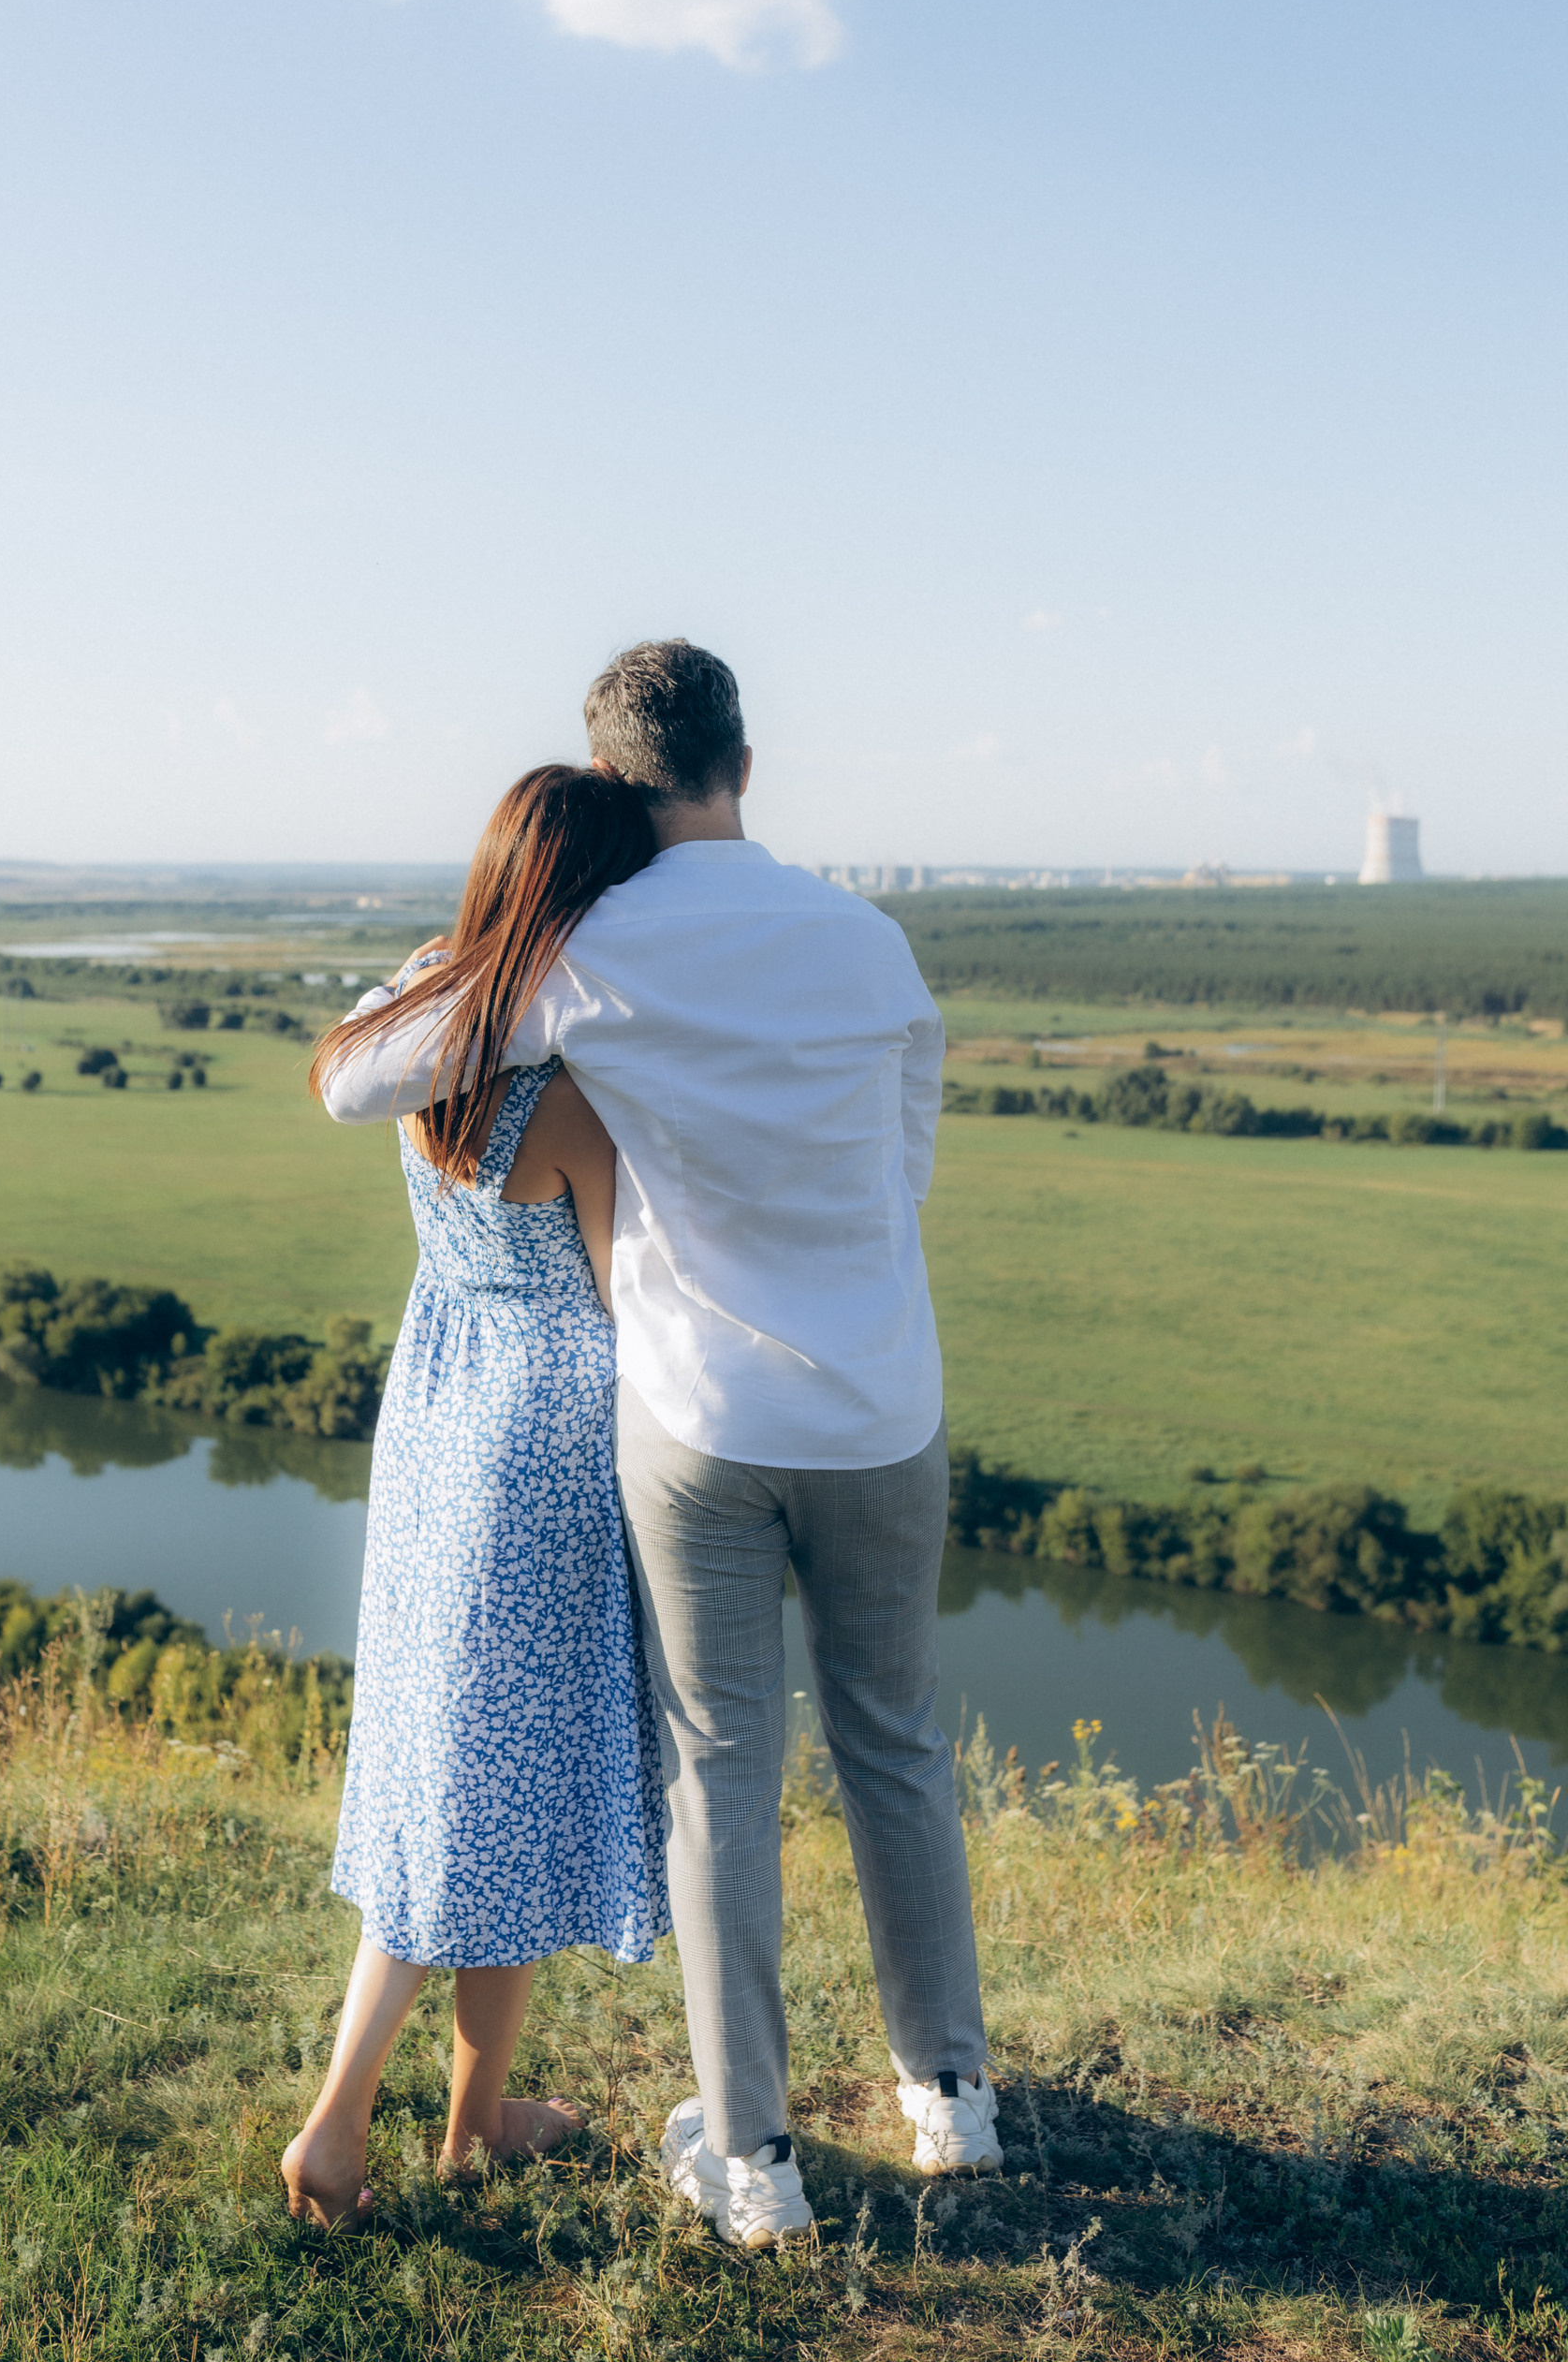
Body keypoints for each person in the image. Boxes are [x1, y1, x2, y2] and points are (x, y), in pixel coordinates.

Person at [319, 639, 1000, 2250]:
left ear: (617, 778)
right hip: (884, 1408)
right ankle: (949, 2101)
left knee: (719, 1776)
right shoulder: (874, 943)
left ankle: (753, 2161)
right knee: (896, 1744)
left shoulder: (588, 951)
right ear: (746, 764)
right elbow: (902, 1178)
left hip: (699, 1418)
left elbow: (363, 1083)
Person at [279, 764, 670, 2234]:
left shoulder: (422, 1027)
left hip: (437, 1413)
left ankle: (479, 2120)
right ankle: (337, 2129)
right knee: (482, 1801)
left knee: (484, 1781)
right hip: (546, 1447)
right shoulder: (567, 1099)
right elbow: (630, 1299)